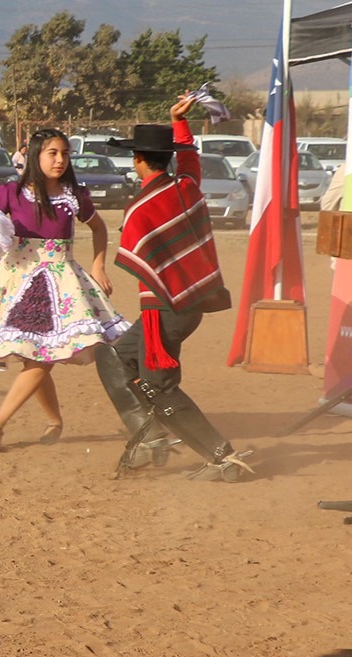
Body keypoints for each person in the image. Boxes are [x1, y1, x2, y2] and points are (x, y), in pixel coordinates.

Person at [96, 96, 254, 481]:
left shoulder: (142, 206)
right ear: (166, 158)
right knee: (114, 357)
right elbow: (191, 161)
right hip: (189, 302)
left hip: (163, 309)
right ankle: (150, 435)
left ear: (137, 160)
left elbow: (141, 258)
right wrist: (179, 123)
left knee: (159, 385)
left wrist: (178, 123)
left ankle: (222, 458)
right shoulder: (187, 187)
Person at [0, 127, 126, 450]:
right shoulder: (12, 192)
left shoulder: (74, 195)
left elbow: (98, 227)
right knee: (35, 357)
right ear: (35, 155)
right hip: (16, 278)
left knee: (40, 357)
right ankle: (54, 421)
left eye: (65, 154)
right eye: (53, 153)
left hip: (62, 282)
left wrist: (98, 265)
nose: (60, 160)